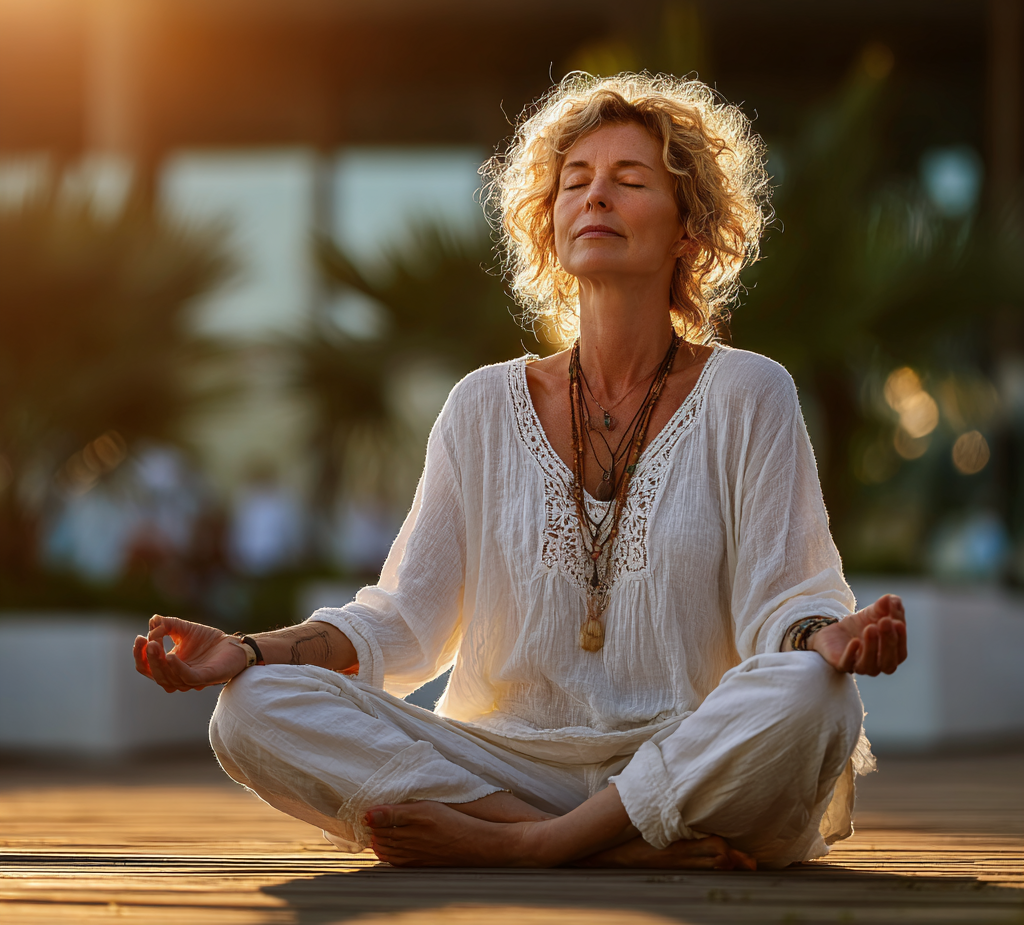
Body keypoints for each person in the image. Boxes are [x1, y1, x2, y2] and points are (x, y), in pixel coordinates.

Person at [133, 72, 907, 871]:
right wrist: (249, 652)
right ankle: (605, 844)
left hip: (684, 755)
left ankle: (538, 846)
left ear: (689, 230)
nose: (596, 197)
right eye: (576, 182)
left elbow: (787, 601)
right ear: (550, 221)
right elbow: (403, 620)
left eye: (629, 181)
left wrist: (828, 637)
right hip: (500, 764)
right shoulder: (482, 405)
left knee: (812, 696)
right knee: (249, 711)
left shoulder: (750, 392)